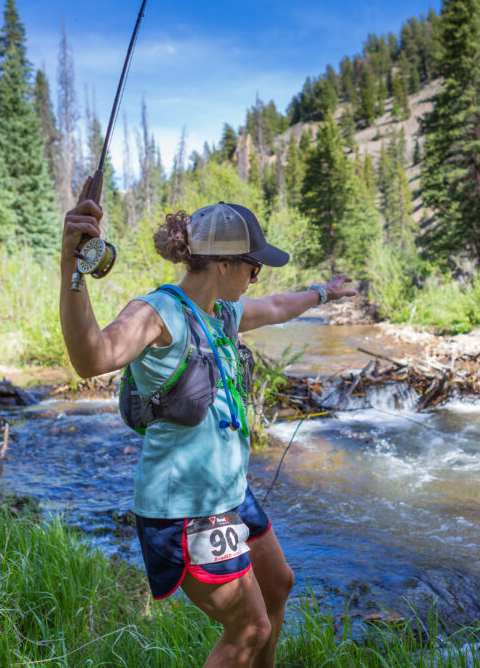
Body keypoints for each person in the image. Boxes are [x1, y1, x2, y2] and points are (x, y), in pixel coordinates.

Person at [59, 184, 355, 668]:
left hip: (230, 494)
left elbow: (279, 307)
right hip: (184, 509)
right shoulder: (157, 312)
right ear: (224, 265)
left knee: (278, 583)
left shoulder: (224, 314)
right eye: (253, 267)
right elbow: (91, 356)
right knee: (251, 626)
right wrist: (72, 267)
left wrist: (324, 291)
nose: (256, 278)